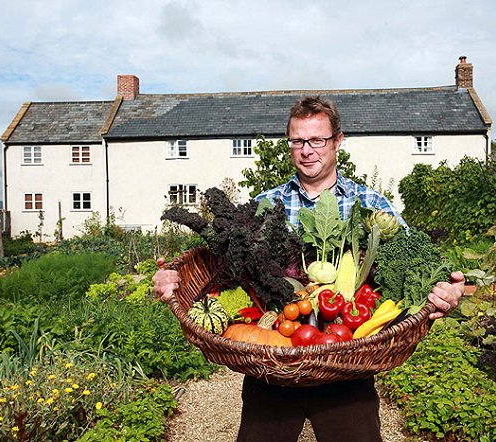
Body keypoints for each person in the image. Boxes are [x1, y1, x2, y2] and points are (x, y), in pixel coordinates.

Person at [153, 96, 464, 442]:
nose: (307, 150)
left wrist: (447, 288)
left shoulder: (373, 206)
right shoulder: (265, 204)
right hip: (270, 367)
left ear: (338, 141)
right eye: (298, 141)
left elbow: (419, 261)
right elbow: (222, 265)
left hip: (348, 369)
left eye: (317, 140)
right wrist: (175, 281)